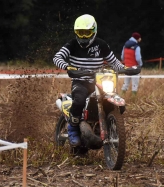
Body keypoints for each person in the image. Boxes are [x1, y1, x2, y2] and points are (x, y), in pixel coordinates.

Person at [53, 14, 125, 148]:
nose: (83, 37)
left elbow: (114, 62)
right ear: (76, 33)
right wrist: (68, 66)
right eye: (80, 33)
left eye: (87, 33)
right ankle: (73, 128)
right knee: (79, 100)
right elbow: (57, 57)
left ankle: (110, 126)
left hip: (99, 82)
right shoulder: (72, 44)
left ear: (94, 31)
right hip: (80, 81)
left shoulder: (101, 44)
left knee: (117, 103)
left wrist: (125, 68)